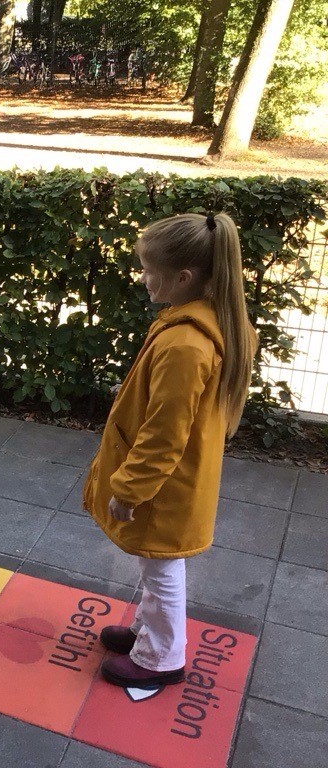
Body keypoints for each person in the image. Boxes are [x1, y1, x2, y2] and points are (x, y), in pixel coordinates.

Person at [83, 212, 257, 688]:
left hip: (164, 486)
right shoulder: (209, 322)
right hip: (178, 479)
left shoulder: (186, 343)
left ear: (183, 277)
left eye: (149, 271)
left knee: (161, 567)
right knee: (154, 562)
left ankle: (161, 658)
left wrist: (129, 489)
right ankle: (147, 633)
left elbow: (165, 434)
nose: (143, 278)